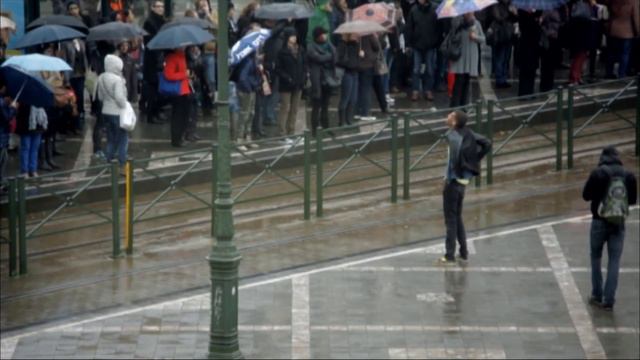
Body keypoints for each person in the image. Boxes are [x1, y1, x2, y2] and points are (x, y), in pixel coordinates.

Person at [582, 145, 637, 310]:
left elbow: (585, 196)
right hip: (618, 222)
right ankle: (609, 300)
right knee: (614, 261)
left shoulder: (598, 173)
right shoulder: (628, 175)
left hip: (599, 221)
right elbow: (633, 200)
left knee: (596, 257)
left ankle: (597, 295)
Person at [438, 110, 491, 264]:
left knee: (451, 220)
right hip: (462, 183)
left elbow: (454, 160)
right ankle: (464, 252)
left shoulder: (454, 136)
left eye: (450, 115)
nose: (447, 116)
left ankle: (449, 255)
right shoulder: (468, 132)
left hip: (453, 183)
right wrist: (474, 160)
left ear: (454, 122)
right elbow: (487, 143)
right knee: (457, 217)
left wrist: (452, 175)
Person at [405, 0, 441, 102]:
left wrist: (436, 41)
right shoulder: (414, 10)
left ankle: (428, 90)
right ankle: (415, 90)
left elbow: (439, 27)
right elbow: (409, 27)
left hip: (430, 44)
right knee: (416, 69)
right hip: (417, 44)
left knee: (430, 69)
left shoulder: (435, 9)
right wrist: (408, 43)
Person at [62, 1, 89, 133]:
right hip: (71, 76)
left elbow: (84, 57)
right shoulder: (66, 44)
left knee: (79, 99)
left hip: (81, 74)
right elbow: (65, 61)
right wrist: (66, 79)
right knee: (71, 100)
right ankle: (71, 124)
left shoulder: (81, 42)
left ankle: (77, 123)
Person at [97, 55, 129, 168]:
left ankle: (109, 160)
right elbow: (119, 98)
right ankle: (122, 162)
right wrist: (125, 105)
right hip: (117, 112)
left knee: (111, 138)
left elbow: (100, 97)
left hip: (106, 111)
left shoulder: (101, 77)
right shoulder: (117, 80)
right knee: (123, 138)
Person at [276, 28, 306, 142]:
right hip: (286, 84)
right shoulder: (282, 52)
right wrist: (287, 77)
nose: (294, 38)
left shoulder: (300, 50)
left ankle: (291, 131)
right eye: (292, 36)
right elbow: (278, 69)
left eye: (295, 36)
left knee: (294, 109)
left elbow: (304, 65)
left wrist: (303, 77)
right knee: (285, 108)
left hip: (298, 84)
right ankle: (282, 134)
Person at [449, 13, 485, 108]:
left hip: (471, 55)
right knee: (459, 80)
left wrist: (475, 37)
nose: (470, 13)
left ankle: (463, 105)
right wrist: (461, 29)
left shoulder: (477, 23)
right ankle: (455, 105)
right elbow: (452, 37)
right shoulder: (456, 21)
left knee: (466, 80)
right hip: (460, 55)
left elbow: (483, 39)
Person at [307, 26, 337, 136]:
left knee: (325, 106)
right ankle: (314, 130)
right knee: (316, 106)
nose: (325, 36)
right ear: (318, 36)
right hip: (317, 80)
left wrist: (329, 55)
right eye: (323, 34)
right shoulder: (311, 47)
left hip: (328, 79)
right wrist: (329, 56)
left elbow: (335, 55)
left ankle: (326, 127)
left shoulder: (328, 45)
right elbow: (319, 58)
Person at [142, 0, 167, 124]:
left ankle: (157, 112)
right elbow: (150, 42)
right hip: (153, 61)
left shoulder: (162, 22)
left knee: (159, 89)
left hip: (159, 59)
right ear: (153, 8)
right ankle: (151, 115)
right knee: (153, 90)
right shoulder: (150, 22)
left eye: (162, 6)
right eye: (159, 6)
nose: (161, 8)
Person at [163, 49, 192, 148]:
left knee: (184, 115)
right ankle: (176, 139)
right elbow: (168, 75)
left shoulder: (183, 56)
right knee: (178, 116)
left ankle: (181, 137)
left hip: (185, 90)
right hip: (178, 91)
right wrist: (184, 74)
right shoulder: (172, 58)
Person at [604, 0, 640, 79]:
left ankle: (609, 73)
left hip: (612, 29)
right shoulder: (634, 1)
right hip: (627, 31)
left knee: (611, 53)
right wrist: (638, 32)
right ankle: (622, 74)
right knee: (624, 54)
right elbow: (636, 17)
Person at [234, 52, 261, 151]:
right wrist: (250, 87)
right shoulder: (247, 61)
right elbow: (243, 77)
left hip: (250, 89)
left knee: (250, 113)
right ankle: (239, 139)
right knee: (245, 114)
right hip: (246, 90)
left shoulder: (251, 60)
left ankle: (247, 137)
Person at [486, 0, 516, 88]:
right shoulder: (496, 5)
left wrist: (513, 13)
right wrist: (509, 13)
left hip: (508, 34)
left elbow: (514, 18)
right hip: (499, 35)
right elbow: (498, 17)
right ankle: (499, 79)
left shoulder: (509, 5)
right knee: (500, 57)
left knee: (506, 58)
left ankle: (504, 78)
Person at [16, 103, 47, 178]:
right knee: (30, 149)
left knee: (29, 149)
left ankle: (29, 170)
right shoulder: (39, 102)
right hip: (33, 128)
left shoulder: (24, 102)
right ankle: (29, 170)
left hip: (30, 128)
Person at [568, 0, 595, 84]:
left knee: (582, 55)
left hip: (584, 29)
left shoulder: (585, 4)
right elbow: (579, 15)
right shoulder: (580, 4)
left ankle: (578, 76)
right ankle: (574, 77)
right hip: (580, 30)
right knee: (579, 55)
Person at [517, 9, 542, 97]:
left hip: (533, 45)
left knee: (532, 69)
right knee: (525, 69)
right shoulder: (522, 12)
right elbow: (527, 25)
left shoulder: (536, 12)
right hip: (526, 44)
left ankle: (530, 91)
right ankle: (524, 92)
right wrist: (535, 20)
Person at [336, 33, 361, 126]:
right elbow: (338, 60)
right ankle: (342, 121)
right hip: (347, 73)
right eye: (354, 34)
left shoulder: (357, 45)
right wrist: (349, 63)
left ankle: (349, 119)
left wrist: (360, 56)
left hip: (355, 73)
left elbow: (358, 60)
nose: (356, 36)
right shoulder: (342, 45)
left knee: (353, 98)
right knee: (345, 98)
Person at [355, 34, 380, 121]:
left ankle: (357, 112)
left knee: (358, 89)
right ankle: (365, 113)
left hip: (357, 65)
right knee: (366, 89)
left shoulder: (354, 35)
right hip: (368, 65)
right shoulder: (369, 34)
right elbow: (377, 47)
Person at [539, 8, 563, 92]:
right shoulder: (547, 9)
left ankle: (549, 84)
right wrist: (548, 32)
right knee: (546, 63)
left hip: (555, 37)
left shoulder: (556, 10)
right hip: (548, 38)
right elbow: (541, 22)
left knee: (551, 63)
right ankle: (545, 85)